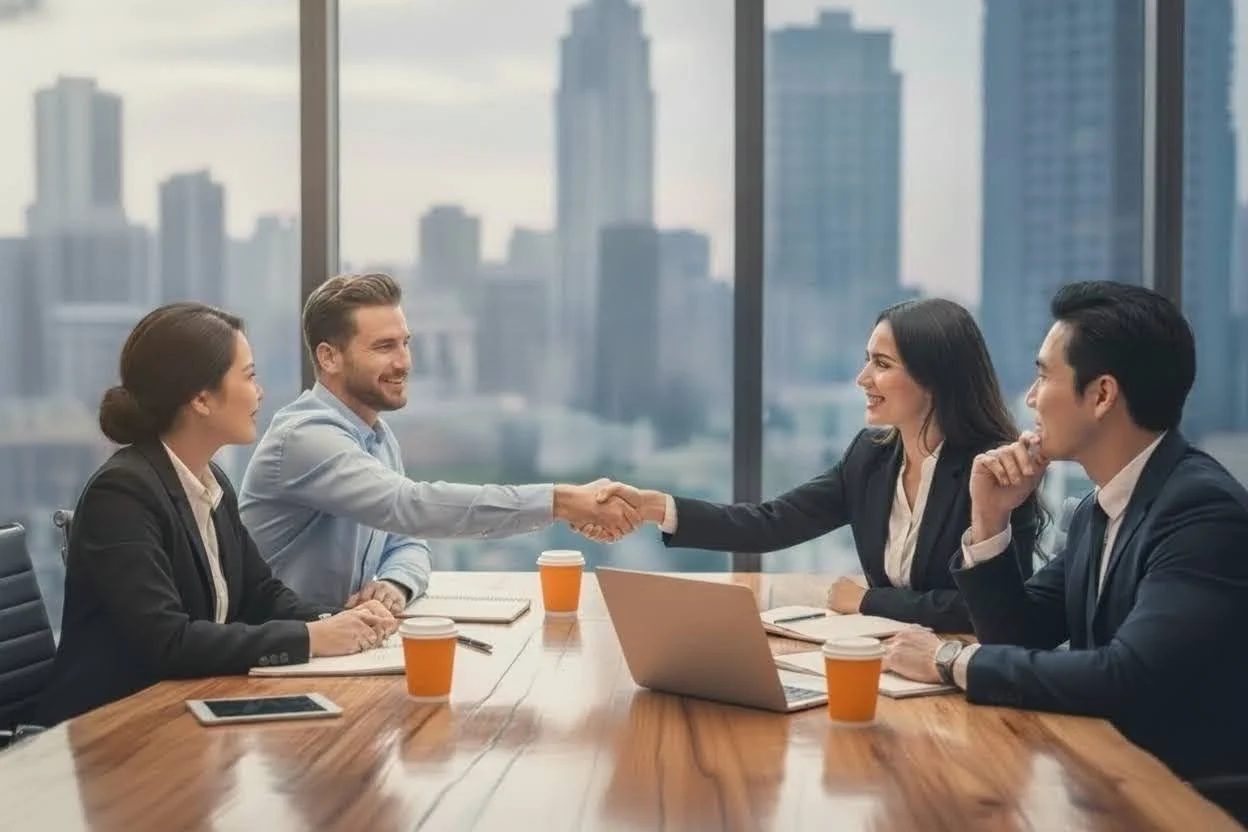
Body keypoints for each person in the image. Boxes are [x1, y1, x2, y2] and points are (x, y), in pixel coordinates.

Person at [885, 282, 1248, 815]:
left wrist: (947, 659)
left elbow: (1126, 677)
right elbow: (1020, 632)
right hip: (1101, 777)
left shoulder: (1200, 512)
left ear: (1101, 395)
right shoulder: (1097, 509)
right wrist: (989, 517)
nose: (1030, 399)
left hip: (1178, 802)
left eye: (1043, 375)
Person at [585, 298, 1040, 632]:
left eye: (881, 364)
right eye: (867, 361)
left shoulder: (994, 473)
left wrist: (867, 601)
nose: (863, 379)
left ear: (934, 379)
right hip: (886, 660)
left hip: (958, 678)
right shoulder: (872, 456)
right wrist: (652, 506)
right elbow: (769, 524)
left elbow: (980, 609)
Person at [38, 303, 398, 725]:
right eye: (248, 376)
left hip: (178, 713)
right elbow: (167, 640)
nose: (259, 392)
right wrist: (311, 638)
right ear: (201, 399)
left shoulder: (211, 482)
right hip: (110, 729)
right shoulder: (121, 494)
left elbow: (260, 594)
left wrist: (337, 620)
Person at [239, 273, 640, 611]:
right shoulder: (305, 438)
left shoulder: (376, 437)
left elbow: (408, 540)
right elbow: (412, 507)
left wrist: (395, 584)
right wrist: (563, 501)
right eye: (384, 347)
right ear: (329, 358)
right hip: (276, 660)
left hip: (340, 648)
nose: (404, 362)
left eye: (404, 343)